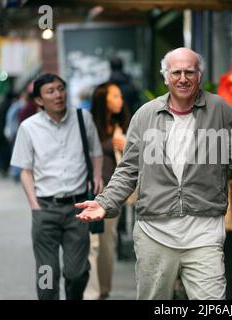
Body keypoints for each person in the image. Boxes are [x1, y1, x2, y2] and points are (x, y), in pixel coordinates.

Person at [75, 48, 232, 300]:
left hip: (204, 235)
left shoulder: (221, 111)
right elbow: (128, 170)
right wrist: (105, 202)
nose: (183, 78)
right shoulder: (145, 116)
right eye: (176, 72)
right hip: (155, 234)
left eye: (190, 72)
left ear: (199, 75)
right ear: (166, 76)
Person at [10, 73, 103, 300]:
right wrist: (34, 205)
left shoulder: (83, 118)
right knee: (46, 275)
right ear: (39, 100)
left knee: (77, 272)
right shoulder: (28, 127)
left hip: (78, 209)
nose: (58, 95)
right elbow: (25, 170)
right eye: (50, 91)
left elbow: (96, 152)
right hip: (45, 209)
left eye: (61, 89)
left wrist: (98, 175)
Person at [84, 82, 129, 300]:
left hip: (113, 195)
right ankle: (91, 293)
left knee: (107, 244)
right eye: (115, 96)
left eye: (120, 96)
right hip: (91, 192)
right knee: (91, 243)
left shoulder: (123, 125)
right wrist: (111, 142)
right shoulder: (90, 126)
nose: (120, 100)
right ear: (103, 100)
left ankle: (103, 290)